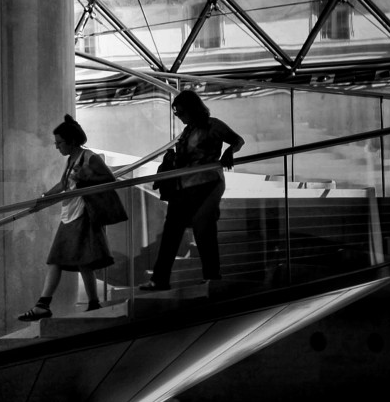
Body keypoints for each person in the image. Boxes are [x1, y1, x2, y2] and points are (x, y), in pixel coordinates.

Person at [140, 89, 245, 291]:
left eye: (180, 112)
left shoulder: (213, 125)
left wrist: (229, 151)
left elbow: (237, 140)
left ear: (191, 108)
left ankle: (212, 277)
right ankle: (161, 279)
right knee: (171, 232)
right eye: (176, 113)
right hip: (185, 186)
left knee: (203, 228)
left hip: (208, 183)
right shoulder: (187, 131)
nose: (178, 116)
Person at [18, 115, 118, 321]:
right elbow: (64, 185)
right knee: (83, 262)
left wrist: (85, 177)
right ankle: (93, 303)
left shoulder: (89, 157)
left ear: (71, 141)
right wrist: (44, 198)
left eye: (59, 143)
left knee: (56, 259)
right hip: (71, 214)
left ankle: (43, 304)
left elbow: (109, 179)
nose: (57, 147)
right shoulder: (72, 159)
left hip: (81, 214)